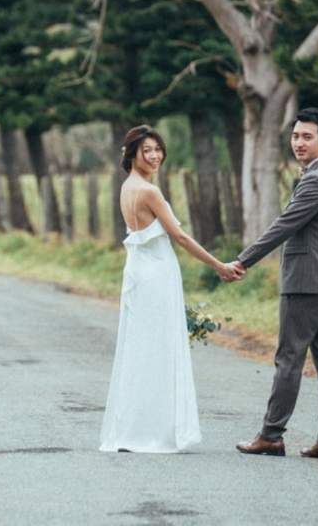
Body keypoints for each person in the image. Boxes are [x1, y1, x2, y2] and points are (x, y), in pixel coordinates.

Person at [99, 124, 244, 453]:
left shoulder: (127, 187)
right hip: (156, 275)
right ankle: (155, 431)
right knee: (159, 349)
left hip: (139, 272)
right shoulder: (149, 191)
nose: (154, 156)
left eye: (157, 149)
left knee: (143, 349)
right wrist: (219, 265)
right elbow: (179, 236)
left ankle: (136, 427)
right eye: (145, 151)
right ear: (131, 155)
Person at [232, 107, 318, 461]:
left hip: (307, 283)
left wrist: (244, 259)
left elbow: (284, 224)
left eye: (307, 137)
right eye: (295, 136)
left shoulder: (317, 180)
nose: (299, 143)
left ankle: (271, 435)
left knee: (289, 358)